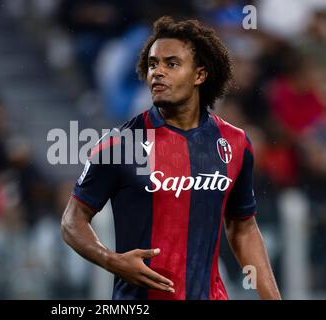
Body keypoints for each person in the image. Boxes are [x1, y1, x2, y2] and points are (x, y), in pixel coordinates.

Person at [61, 16, 281, 300]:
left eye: (171, 64)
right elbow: (72, 221)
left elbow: (242, 228)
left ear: (199, 75)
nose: (157, 73)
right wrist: (111, 260)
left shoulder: (235, 143)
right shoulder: (120, 144)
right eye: (153, 64)